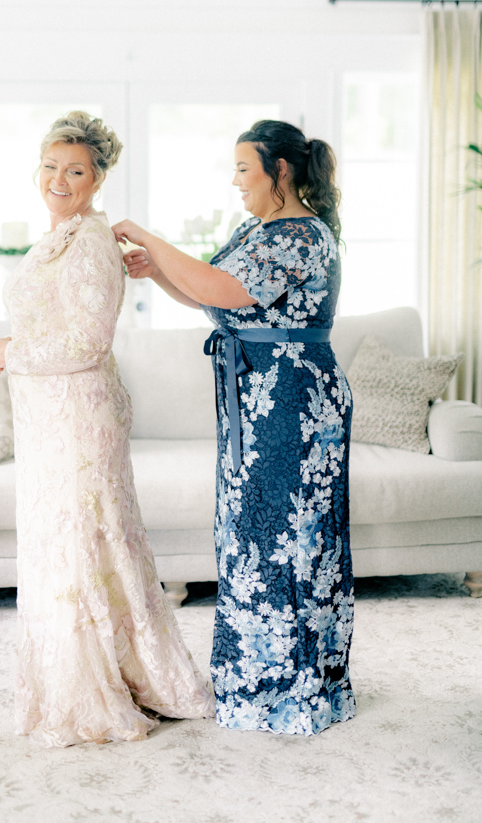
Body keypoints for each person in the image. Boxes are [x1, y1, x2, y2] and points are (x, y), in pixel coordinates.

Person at [113, 119, 355, 736]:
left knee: (285, 537)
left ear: (281, 172)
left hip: (295, 399)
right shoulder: (255, 229)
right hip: (254, 396)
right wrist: (157, 270)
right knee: (246, 534)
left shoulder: (303, 236)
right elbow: (208, 296)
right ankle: (251, 677)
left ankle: (293, 686)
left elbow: (226, 287)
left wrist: (150, 237)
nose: (235, 180)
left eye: (245, 168)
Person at [0, 111, 214, 747]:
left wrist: (10, 354)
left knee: (86, 540)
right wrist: (11, 342)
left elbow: (87, 341)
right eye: (51, 166)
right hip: (46, 418)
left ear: (98, 177)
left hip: (78, 418)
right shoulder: (55, 237)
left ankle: (103, 686)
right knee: (65, 543)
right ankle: (80, 673)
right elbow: (50, 325)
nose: (59, 178)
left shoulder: (90, 242)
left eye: (75, 170)